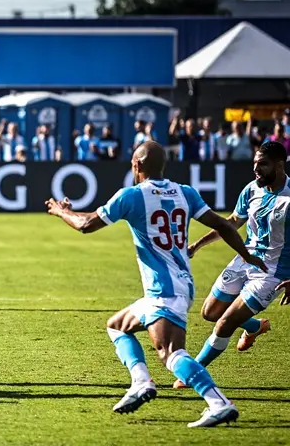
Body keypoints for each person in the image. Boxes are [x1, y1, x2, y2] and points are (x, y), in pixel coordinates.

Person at [45, 140, 266, 428]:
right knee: (117, 326)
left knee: (171, 353)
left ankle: (218, 402)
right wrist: (247, 255)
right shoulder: (185, 192)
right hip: (178, 285)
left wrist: (60, 211)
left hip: (165, 290)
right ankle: (140, 383)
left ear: (137, 165)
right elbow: (223, 224)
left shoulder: (132, 196)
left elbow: (86, 224)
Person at [173, 141, 289, 388]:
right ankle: (255, 327)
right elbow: (232, 222)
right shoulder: (252, 190)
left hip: (271, 272)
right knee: (210, 313)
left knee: (225, 322)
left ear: (280, 165)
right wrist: (197, 245)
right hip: (245, 260)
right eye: (255, 163)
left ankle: (192, 374)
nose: (256, 169)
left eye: (262, 164)